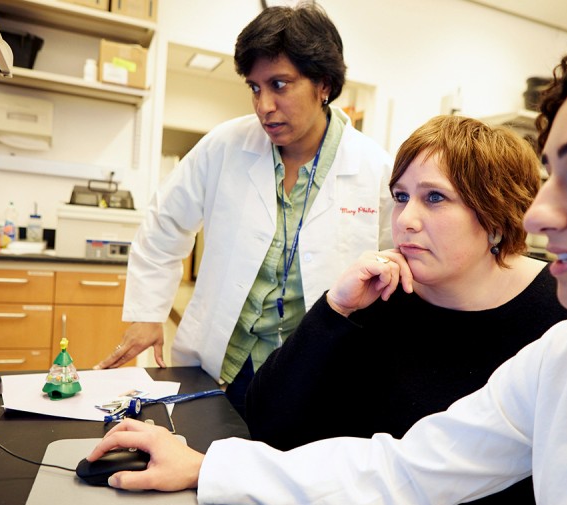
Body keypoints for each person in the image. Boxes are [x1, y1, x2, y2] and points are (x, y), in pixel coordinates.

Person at [87, 15, 567, 505]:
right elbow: (406, 470)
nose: (542, 211)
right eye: (401, 198)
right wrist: (207, 466)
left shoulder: (558, 325)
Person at [245, 114, 567, 505]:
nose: (405, 220)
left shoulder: (564, 312)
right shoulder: (382, 294)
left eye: (434, 198)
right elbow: (266, 422)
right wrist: (334, 310)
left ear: (496, 214)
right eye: (400, 197)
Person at [95, 4, 394, 417]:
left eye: (279, 84)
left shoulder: (376, 169)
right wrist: (149, 314)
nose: (264, 105)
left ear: (323, 83)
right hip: (222, 367)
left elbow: (397, 270)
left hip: (317, 376)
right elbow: (165, 223)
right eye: (254, 87)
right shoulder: (224, 145)